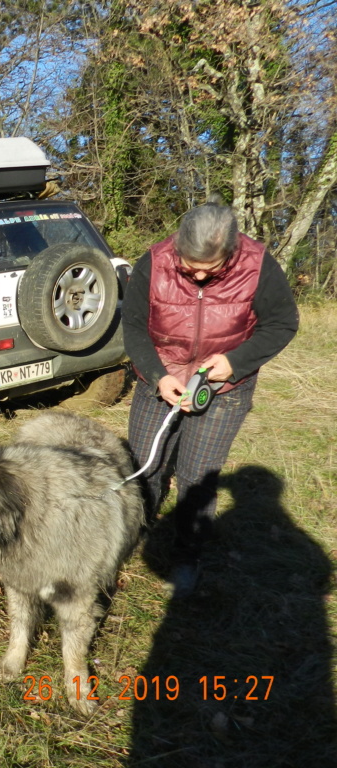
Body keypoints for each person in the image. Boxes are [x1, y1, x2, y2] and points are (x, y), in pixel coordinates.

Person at [122, 199, 299, 596]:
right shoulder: (152, 262)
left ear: (232, 253)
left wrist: (235, 361)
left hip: (224, 389)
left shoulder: (258, 265)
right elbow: (132, 327)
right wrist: (157, 375)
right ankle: (135, 533)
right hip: (161, 378)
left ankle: (187, 556)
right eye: (189, 266)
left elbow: (282, 323)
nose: (200, 274)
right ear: (177, 247)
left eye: (212, 268)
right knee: (145, 465)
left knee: (197, 476)